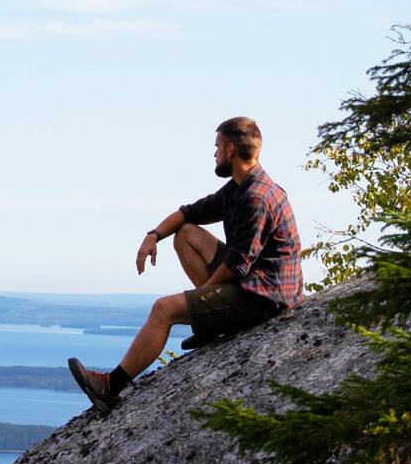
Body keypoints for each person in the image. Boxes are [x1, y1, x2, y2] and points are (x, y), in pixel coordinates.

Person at [68, 115, 304, 411]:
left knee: (163, 309)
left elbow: (237, 265)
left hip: (264, 297)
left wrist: (199, 299)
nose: (214, 153)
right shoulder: (240, 187)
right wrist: (153, 235)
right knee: (186, 234)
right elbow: (190, 212)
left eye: (217, 146)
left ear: (231, 149)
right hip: (257, 280)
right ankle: (209, 323)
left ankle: (109, 387)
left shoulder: (256, 197)